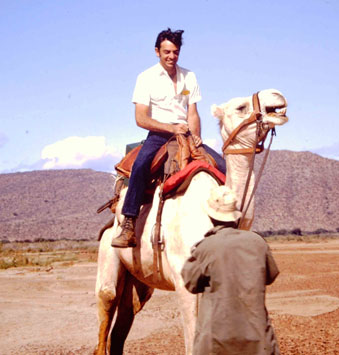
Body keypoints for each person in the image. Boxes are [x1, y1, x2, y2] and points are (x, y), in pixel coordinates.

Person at [111, 28, 225, 248]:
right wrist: (170, 128)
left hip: (187, 134)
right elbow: (141, 118)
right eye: (167, 52)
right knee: (141, 165)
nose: (171, 56)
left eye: (175, 52)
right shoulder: (145, 78)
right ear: (157, 51)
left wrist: (197, 137)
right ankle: (129, 223)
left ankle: (226, 222)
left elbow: (192, 112)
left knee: (221, 166)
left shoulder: (189, 76)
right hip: (159, 134)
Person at [181, 186, 280, 355]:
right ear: (235, 216)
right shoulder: (258, 242)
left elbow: (191, 283)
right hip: (258, 339)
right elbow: (270, 275)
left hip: (216, 341)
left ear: (211, 216)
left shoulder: (205, 247)